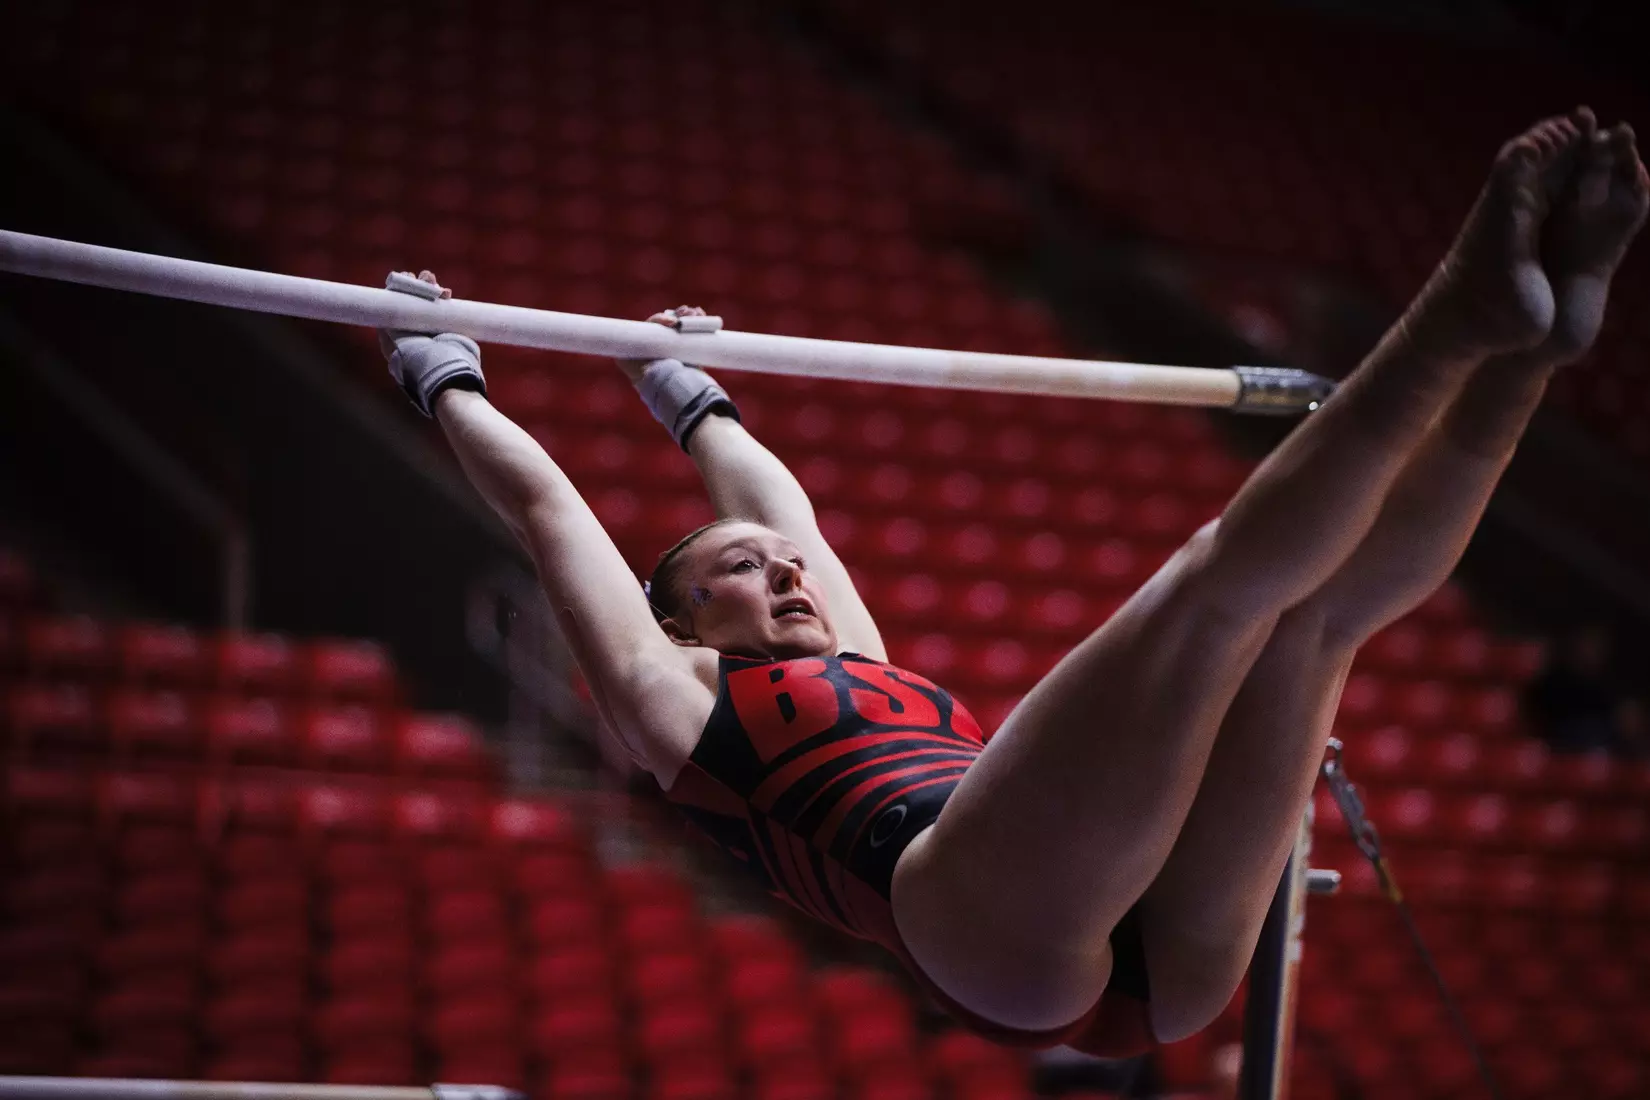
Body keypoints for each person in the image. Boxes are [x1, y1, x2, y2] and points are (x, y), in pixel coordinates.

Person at [376, 110, 1646, 1056]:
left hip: (1137, 951)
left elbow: (782, 511)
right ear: (681, 617)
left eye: (779, 563)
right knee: (1216, 580)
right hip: (977, 922)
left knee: (1318, 622)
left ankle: (1530, 351)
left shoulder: (843, 653)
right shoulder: (674, 707)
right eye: (737, 573)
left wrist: (684, 389)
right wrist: (442, 368)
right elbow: (551, 508)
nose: (781, 571)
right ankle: (1459, 313)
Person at [1521, 624, 1630, 753]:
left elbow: (1611, 716)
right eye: (1589, 645)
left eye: (1597, 648)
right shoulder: (1555, 676)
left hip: (1597, 739)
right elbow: (1538, 708)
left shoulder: (1602, 684)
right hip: (1560, 739)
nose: (1592, 652)